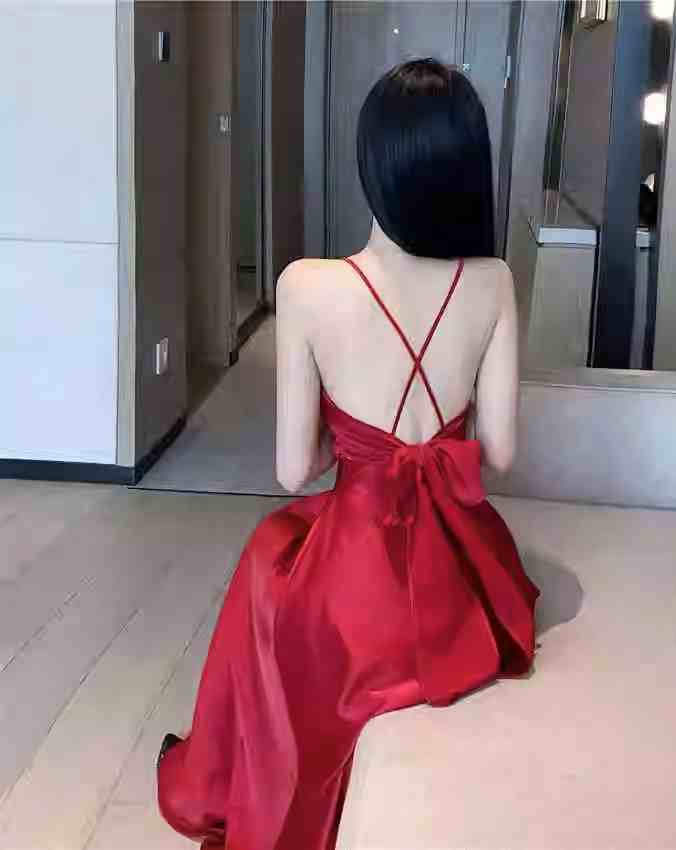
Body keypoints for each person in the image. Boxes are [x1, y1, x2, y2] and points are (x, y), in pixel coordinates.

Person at [156, 58, 539, 850]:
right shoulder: (494, 281)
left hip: (355, 596)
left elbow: (293, 471)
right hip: (454, 583)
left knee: (270, 557)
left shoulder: (306, 285)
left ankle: (238, 779)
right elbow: (499, 452)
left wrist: (354, 435)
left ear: (373, 164)